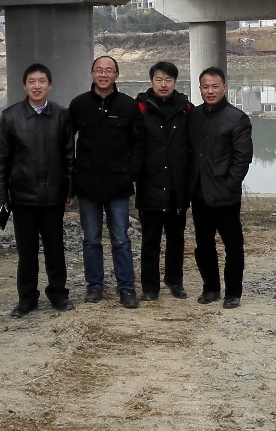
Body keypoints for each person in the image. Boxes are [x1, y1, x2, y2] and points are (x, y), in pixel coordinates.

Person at [0, 63, 75, 318]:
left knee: (55, 249)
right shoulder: (11, 116)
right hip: (22, 197)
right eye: (31, 81)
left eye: (41, 81)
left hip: (53, 196)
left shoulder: (62, 115)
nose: (37, 86)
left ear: (50, 85)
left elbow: (69, 157)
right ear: (24, 85)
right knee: (26, 252)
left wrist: (69, 190)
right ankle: (27, 299)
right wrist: (2, 195)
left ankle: (58, 295)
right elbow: (2, 159)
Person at [69, 55, 145, 308]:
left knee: (121, 239)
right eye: (99, 70)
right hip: (87, 184)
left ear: (117, 75)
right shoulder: (79, 104)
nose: (103, 75)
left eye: (109, 70)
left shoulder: (128, 105)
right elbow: (66, 143)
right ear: (92, 74)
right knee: (91, 239)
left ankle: (127, 287)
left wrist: (131, 174)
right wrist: (71, 180)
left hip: (118, 185)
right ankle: (94, 285)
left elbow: (139, 143)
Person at [188, 66, 252, 309]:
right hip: (200, 192)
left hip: (226, 194)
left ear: (224, 87)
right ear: (200, 89)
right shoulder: (194, 115)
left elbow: (242, 158)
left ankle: (233, 292)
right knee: (204, 245)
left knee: (233, 246)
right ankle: (211, 288)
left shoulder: (237, 118)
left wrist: (231, 184)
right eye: (205, 87)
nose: (210, 91)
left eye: (215, 86)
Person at [134, 61, 193, 301]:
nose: (163, 84)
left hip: (177, 186)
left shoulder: (187, 109)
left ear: (175, 82)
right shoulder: (140, 108)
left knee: (176, 238)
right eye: (159, 79)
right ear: (151, 81)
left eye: (168, 80)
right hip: (150, 184)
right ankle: (150, 287)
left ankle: (174, 280)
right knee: (150, 240)